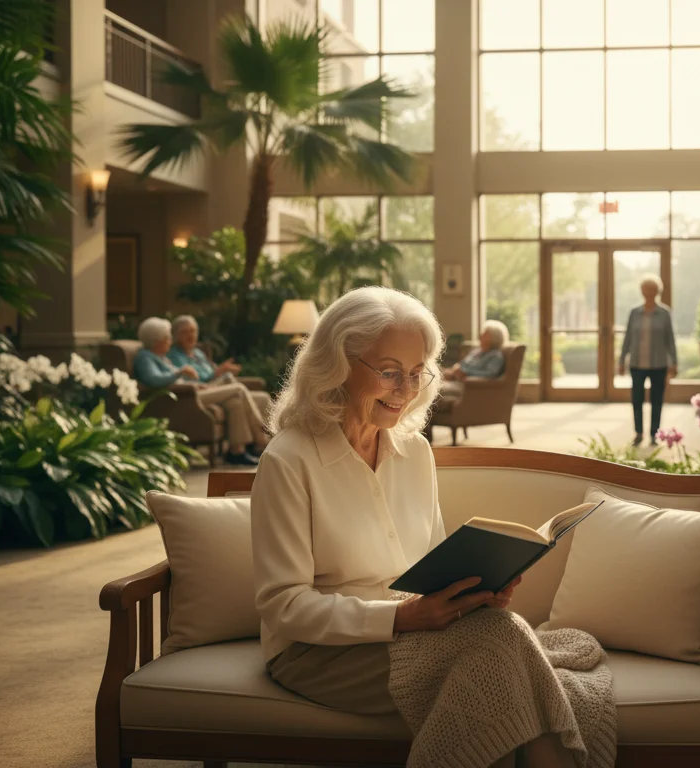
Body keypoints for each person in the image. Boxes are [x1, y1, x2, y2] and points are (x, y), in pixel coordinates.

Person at [252, 287, 603, 768]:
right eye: (390, 372)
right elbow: (283, 606)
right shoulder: (289, 460)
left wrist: (470, 593)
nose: (406, 389)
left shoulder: (414, 452)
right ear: (336, 364)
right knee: (499, 659)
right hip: (316, 654)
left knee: (496, 638)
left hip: (414, 631)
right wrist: (400, 619)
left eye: (417, 373)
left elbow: (431, 564)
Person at [133, 316, 270, 466]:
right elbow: (153, 379)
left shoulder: (161, 357)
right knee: (237, 388)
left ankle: (239, 451)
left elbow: (179, 380)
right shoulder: (145, 357)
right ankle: (261, 437)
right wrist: (180, 373)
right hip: (186, 398)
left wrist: (195, 384)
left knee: (235, 400)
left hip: (194, 391)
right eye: (167, 337)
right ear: (156, 340)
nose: (170, 341)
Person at [617, 274, 677, 446]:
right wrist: (622, 360)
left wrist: (674, 362)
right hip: (637, 364)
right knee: (637, 400)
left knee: (657, 400)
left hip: (658, 364)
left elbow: (670, 339)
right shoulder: (634, 313)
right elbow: (627, 338)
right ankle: (638, 432)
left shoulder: (664, 313)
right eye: (646, 289)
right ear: (642, 291)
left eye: (652, 289)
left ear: (657, 291)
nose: (649, 292)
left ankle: (654, 434)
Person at [167, 315, 242, 385]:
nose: (190, 335)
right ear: (175, 335)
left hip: (215, 387)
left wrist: (223, 370)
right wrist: (218, 373)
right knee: (229, 379)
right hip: (199, 390)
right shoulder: (173, 355)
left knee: (232, 384)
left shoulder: (198, 353)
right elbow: (190, 380)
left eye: (193, 331)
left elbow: (213, 371)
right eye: (184, 332)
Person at [442, 319, 508, 382]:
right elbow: (462, 364)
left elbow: (490, 374)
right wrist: (455, 369)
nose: (481, 336)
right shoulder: (476, 351)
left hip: (468, 383)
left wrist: (465, 373)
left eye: (485, 334)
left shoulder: (496, 355)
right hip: (455, 377)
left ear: (494, 338)